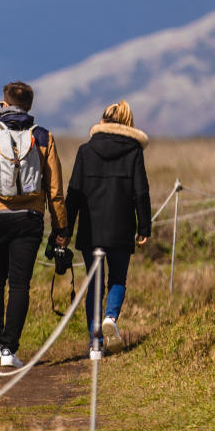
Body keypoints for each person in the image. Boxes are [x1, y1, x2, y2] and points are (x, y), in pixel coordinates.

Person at [0, 81, 67, 368]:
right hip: (29, 219)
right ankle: (9, 349)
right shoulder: (44, 136)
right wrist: (60, 229)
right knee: (20, 284)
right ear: (29, 106)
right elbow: (55, 189)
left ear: (4, 104)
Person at [63, 100, 150, 355]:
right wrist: (144, 226)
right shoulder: (134, 152)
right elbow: (141, 193)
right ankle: (110, 318)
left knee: (94, 283)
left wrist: (64, 230)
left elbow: (73, 194)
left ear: (103, 120)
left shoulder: (85, 151)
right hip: (121, 228)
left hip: (91, 229)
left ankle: (95, 344)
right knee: (117, 279)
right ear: (128, 124)